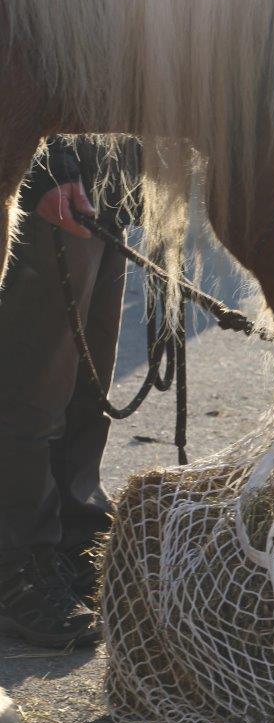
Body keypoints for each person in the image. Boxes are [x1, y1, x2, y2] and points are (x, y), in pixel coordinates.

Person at [0, 138, 135, 648]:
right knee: (31, 388)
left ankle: (76, 538)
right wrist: (41, 171)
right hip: (46, 173)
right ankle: (16, 564)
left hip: (106, 177)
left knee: (88, 388)